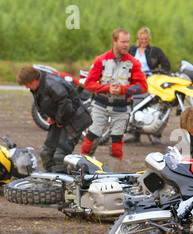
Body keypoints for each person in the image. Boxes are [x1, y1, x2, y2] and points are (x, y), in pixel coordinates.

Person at [80, 28, 148, 172]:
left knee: (116, 144)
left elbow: (143, 87)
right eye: (123, 42)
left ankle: (111, 176)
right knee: (91, 139)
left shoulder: (133, 63)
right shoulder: (101, 60)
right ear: (114, 41)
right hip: (100, 105)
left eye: (128, 42)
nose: (126, 45)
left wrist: (123, 90)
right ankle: (82, 170)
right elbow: (88, 84)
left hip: (122, 109)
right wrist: (107, 88)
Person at [17, 66, 92, 172]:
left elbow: (66, 103)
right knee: (46, 154)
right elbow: (40, 106)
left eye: (27, 84)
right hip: (59, 120)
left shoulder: (51, 83)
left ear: (33, 80)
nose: (26, 87)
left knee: (60, 156)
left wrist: (60, 120)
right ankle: (52, 182)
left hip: (74, 120)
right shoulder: (37, 87)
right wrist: (49, 117)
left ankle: (65, 184)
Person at [125, 27, 171, 145]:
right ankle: (135, 134)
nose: (144, 41)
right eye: (141, 39)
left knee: (153, 107)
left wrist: (157, 72)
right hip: (134, 82)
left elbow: (166, 66)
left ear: (149, 39)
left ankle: (157, 135)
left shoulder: (155, 51)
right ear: (138, 39)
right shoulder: (131, 50)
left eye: (146, 39)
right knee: (135, 106)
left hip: (150, 83)